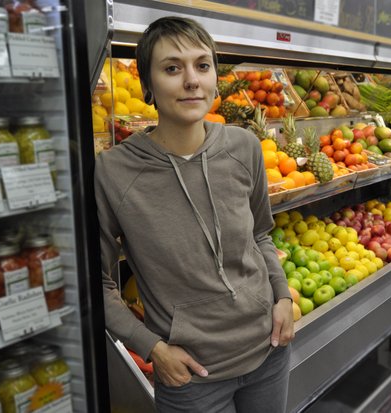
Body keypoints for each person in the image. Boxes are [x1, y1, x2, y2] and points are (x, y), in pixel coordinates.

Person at [94, 16, 294, 412]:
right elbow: (94, 282)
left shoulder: (244, 147)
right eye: (172, 68)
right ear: (147, 84)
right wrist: (151, 347)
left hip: (269, 352)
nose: (192, 80)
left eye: (203, 66)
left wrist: (283, 297)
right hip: (191, 377)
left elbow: (260, 235)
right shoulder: (113, 172)